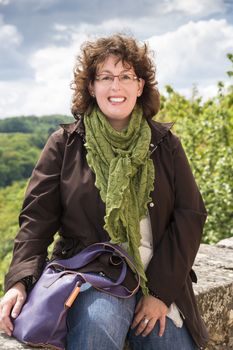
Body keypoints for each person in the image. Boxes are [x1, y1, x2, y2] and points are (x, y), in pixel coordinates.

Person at [0, 34, 208, 350]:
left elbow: (189, 216)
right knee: (98, 328)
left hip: (159, 278)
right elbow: (36, 220)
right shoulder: (64, 144)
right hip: (95, 276)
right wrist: (19, 280)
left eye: (126, 77)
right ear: (91, 87)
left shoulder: (166, 144)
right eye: (106, 77)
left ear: (140, 87)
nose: (116, 87)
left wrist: (160, 294)